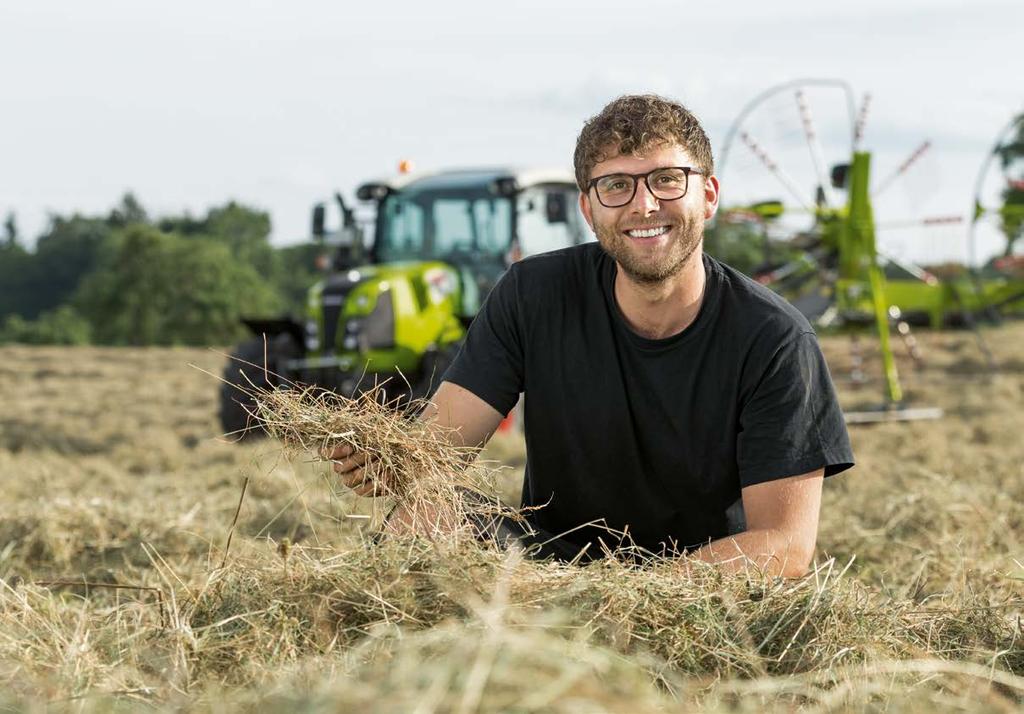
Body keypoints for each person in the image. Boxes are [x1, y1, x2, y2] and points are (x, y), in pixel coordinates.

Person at [328, 94, 854, 576]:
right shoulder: (533, 294)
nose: (643, 205)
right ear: (588, 208)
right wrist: (391, 461)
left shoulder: (775, 339)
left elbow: (783, 543)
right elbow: (437, 450)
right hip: (549, 566)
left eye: (667, 179)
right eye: (616, 185)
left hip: (703, 595)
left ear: (709, 195)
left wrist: (632, 597)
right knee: (428, 512)